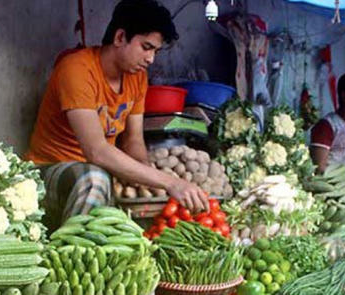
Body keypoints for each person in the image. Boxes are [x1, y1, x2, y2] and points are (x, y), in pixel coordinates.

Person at [25, 0, 208, 230]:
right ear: (120, 37)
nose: (151, 59)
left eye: (156, 51)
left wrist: (147, 179)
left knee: (114, 186)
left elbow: (133, 142)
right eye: (146, 47)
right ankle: (71, 259)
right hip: (48, 172)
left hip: (98, 173)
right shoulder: (76, 70)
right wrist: (171, 182)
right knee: (94, 179)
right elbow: (96, 151)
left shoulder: (137, 78)